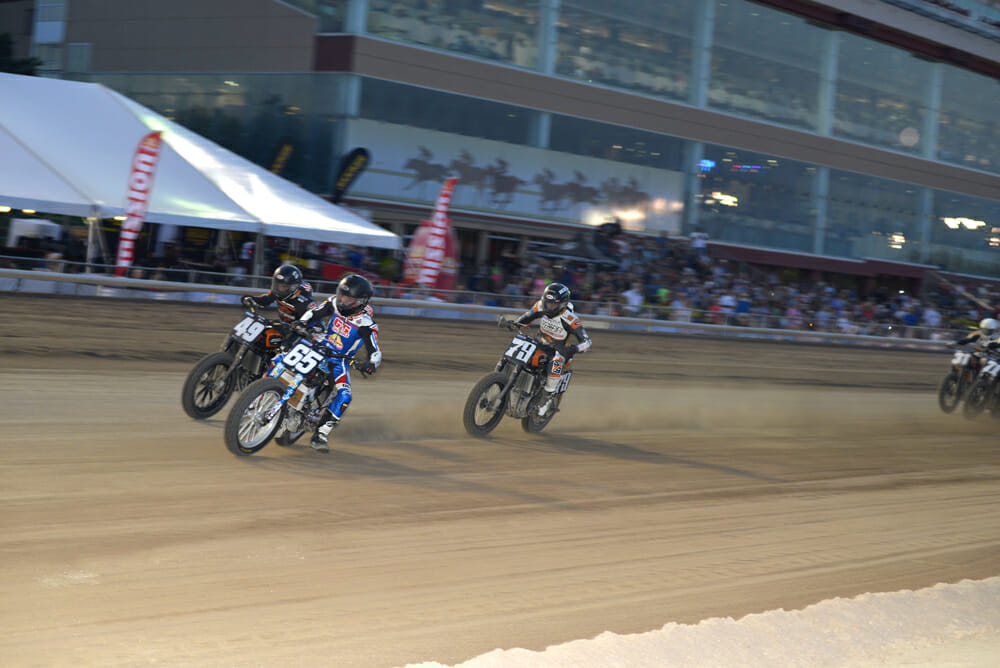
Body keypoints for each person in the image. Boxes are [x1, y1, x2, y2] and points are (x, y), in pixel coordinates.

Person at [293, 274, 382, 452]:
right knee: (283, 353)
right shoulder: (334, 302)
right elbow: (315, 312)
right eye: (341, 295)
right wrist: (302, 322)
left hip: (339, 360)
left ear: (360, 302)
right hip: (319, 347)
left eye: (348, 298)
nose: (342, 300)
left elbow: (375, 350)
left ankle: (321, 434)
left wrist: (371, 364)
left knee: (345, 396)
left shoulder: (366, 324)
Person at [502, 282, 592, 416]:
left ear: (562, 304)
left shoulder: (571, 319)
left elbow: (587, 342)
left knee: (556, 362)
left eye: (553, 304)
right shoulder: (540, 305)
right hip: (540, 343)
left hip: (560, 351)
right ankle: (502, 376)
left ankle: (546, 398)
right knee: (519, 349)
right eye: (547, 302)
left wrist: (573, 349)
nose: (549, 306)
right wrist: (516, 324)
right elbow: (528, 317)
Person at [241, 264, 315, 324]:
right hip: (284, 325)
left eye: (284, 286)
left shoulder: (304, 301)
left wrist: (300, 326)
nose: (280, 288)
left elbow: (314, 320)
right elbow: (267, 300)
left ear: (293, 287)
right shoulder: (278, 292)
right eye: (278, 285)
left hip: (298, 333)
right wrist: (253, 299)